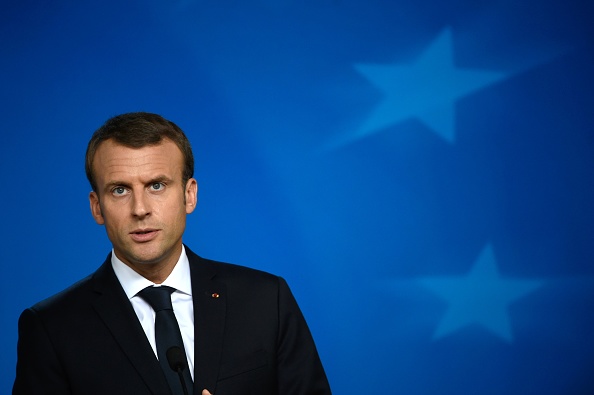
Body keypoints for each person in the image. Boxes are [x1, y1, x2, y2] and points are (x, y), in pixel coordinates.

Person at [13, 112, 331, 395]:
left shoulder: (265, 300)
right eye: (119, 190)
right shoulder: (51, 328)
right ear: (97, 207)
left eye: (156, 186)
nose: (140, 209)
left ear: (189, 195)